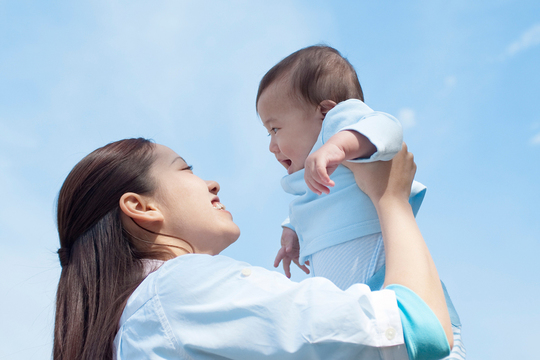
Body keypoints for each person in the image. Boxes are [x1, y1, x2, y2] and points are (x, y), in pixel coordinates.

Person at [53, 138, 452, 360]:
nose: (212, 184)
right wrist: (391, 198)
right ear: (142, 207)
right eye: (185, 169)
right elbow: (416, 330)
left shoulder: (133, 330)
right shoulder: (181, 292)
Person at [256, 45, 465, 359]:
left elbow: (386, 128)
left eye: (275, 128)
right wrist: (292, 232)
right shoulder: (311, 173)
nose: (272, 146)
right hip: (354, 297)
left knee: (430, 336)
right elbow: (310, 203)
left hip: (385, 270)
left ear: (325, 112)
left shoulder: (339, 129)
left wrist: (341, 144)